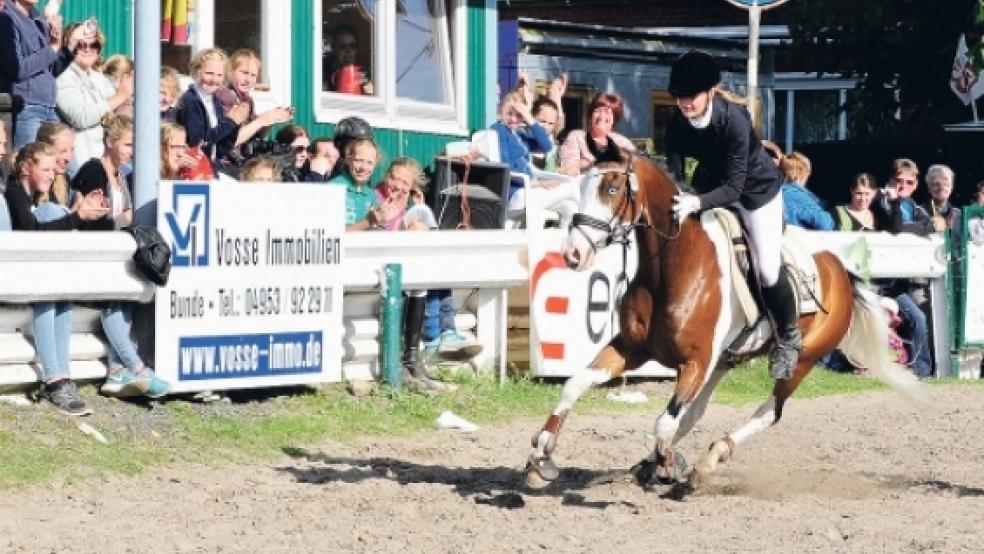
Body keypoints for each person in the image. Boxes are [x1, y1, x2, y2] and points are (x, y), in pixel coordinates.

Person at [665, 50, 801, 380]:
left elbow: (734, 189)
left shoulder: (735, 121)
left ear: (711, 91)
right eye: (681, 97)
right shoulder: (676, 122)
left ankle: (788, 337)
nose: (685, 104)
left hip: (755, 194)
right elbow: (675, 169)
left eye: (692, 97)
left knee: (767, 268)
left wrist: (696, 203)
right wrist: (681, 193)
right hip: (711, 185)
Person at [69, 113, 170, 398]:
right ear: (110, 142)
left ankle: (116, 371)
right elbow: (90, 220)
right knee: (115, 303)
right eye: (127, 144)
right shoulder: (93, 171)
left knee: (127, 300)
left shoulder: (122, 176)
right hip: (92, 257)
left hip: (115, 257)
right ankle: (136, 367)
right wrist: (125, 218)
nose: (131, 151)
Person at [5, 142, 108, 415]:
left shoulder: (34, 197)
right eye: (46, 169)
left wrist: (82, 216)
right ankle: (54, 379)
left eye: (54, 171)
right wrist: (76, 218)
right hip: (17, 274)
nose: (52, 176)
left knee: (61, 300)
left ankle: (63, 374)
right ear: (26, 169)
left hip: (37, 273)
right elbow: (32, 232)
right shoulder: (15, 191)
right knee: (49, 299)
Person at [0, 0, 90, 148]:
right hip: (26, 108)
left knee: (66, 167)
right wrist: (53, 48)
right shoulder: (6, 18)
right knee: (29, 165)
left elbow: (49, 70)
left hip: (48, 106)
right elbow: (17, 69)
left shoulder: (38, 19)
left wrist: (70, 45)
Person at [55, 22, 132, 169]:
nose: (88, 50)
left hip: (105, 159)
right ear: (70, 46)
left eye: (94, 45)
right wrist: (120, 97)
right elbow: (81, 117)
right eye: (81, 45)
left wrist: (126, 101)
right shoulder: (62, 75)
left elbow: (119, 114)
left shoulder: (99, 78)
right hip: (80, 161)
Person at [176, 47, 248, 169]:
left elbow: (221, 148)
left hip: (213, 164)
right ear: (197, 71)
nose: (214, 80)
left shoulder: (215, 101)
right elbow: (199, 142)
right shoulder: (191, 100)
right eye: (209, 73)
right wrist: (230, 122)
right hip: (193, 167)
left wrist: (236, 123)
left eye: (219, 75)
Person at [217, 49, 293, 165]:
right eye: (244, 73)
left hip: (239, 161)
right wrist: (261, 120)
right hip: (221, 162)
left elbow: (254, 137)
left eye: (253, 75)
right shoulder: (223, 95)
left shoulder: (247, 100)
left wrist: (272, 119)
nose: (248, 80)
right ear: (230, 71)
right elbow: (230, 140)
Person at [328, 136, 399, 231]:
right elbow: (331, 236)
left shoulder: (371, 195)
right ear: (348, 160)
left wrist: (382, 220)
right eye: (358, 160)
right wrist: (368, 221)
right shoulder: (333, 188)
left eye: (369, 163)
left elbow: (376, 232)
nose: (363, 167)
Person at [559, 91, 636, 176]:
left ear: (614, 118)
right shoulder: (577, 137)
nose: (601, 116)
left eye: (607, 112)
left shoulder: (623, 143)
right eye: (597, 111)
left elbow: (635, 169)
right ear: (591, 115)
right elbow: (568, 170)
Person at [779, 151, 835, 230]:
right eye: (808, 174)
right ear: (801, 173)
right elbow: (825, 224)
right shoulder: (797, 196)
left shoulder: (773, 192)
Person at [323, 24, 373, 95]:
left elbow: (370, 95)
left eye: (352, 46)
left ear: (357, 50)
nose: (348, 50)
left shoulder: (361, 73)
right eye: (342, 46)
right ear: (334, 48)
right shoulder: (322, 71)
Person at [34, 121, 75, 206]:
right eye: (63, 151)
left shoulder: (63, 179)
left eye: (72, 150)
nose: (69, 158)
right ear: (45, 151)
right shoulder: (30, 183)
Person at [923, 164, 960, 232]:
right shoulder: (919, 212)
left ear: (951, 187)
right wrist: (929, 227)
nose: (941, 188)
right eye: (936, 184)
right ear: (929, 188)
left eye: (945, 184)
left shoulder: (959, 215)